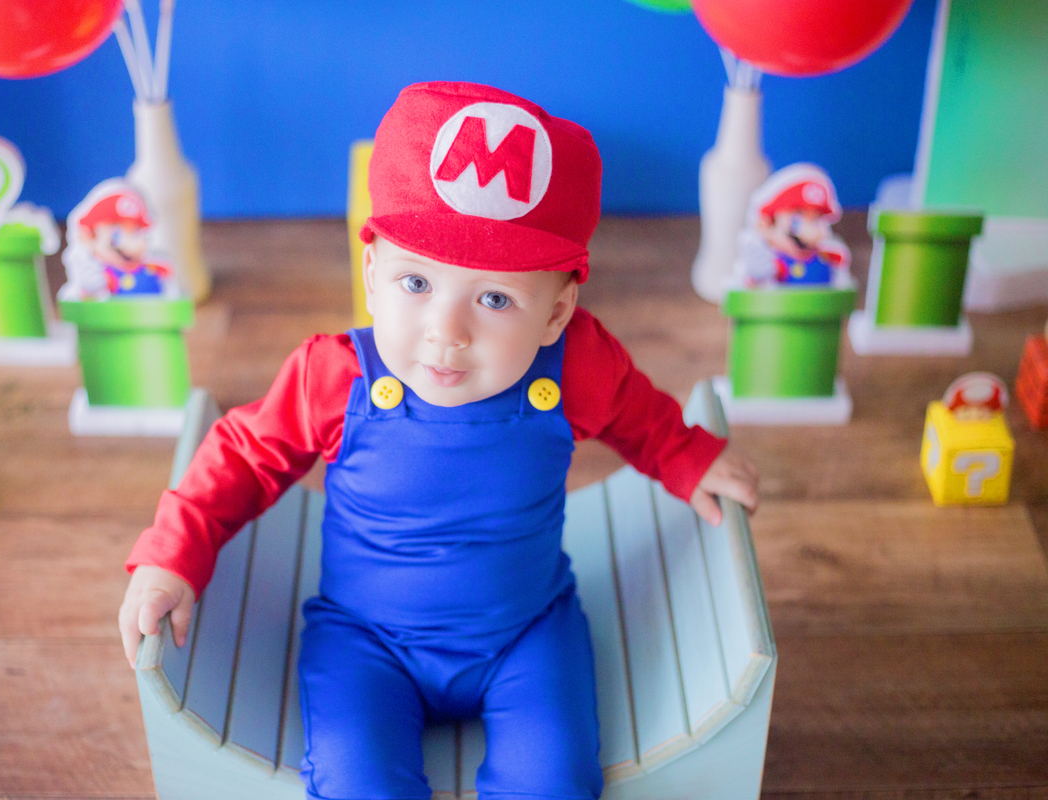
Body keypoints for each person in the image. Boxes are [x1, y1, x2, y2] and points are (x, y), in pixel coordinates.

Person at [119, 81, 759, 800]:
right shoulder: (336, 376)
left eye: (494, 299)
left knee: (555, 781)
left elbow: (637, 414)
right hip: (366, 640)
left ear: (556, 314)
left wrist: (684, 454)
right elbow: (241, 455)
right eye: (416, 281)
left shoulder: (576, 363)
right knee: (356, 780)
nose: (445, 331)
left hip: (526, 632)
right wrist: (175, 551)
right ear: (371, 274)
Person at [734, 162, 851, 287]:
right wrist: (756, 276)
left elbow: (841, 284)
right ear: (769, 223)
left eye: (816, 219)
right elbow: (754, 288)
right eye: (798, 215)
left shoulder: (826, 257)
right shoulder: (777, 264)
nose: (808, 227)